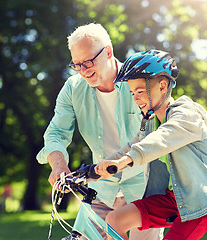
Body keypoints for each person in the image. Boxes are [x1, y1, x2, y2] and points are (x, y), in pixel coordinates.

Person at [37, 23, 163, 239]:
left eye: (88, 62)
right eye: (77, 64)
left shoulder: (141, 83)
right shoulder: (73, 88)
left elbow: (157, 137)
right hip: (102, 189)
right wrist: (59, 165)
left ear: (108, 52)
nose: (84, 71)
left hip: (143, 189)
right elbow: (56, 133)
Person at [95, 49, 207, 240]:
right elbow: (129, 147)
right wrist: (93, 171)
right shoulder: (151, 122)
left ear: (162, 86)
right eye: (133, 92)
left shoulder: (186, 115)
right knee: (115, 219)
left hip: (202, 202)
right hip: (173, 199)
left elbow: (161, 140)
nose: (135, 98)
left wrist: (126, 160)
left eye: (140, 91)